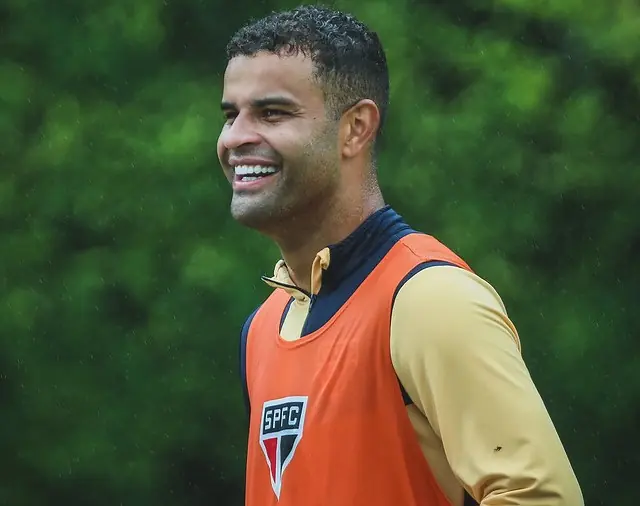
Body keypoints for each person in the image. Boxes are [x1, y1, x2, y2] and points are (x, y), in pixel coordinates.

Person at [217, 5, 583, 506]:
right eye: (231, 115)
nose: (236, 137)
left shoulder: (430, 301)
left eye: (272, 113)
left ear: (355, 128)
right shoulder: (262, 330)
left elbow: (542, 498)